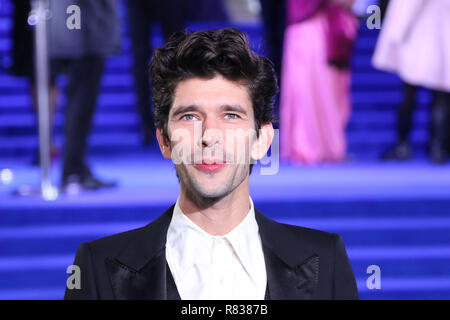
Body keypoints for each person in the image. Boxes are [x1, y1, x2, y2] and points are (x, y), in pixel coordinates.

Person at [64, 28, 358, 300]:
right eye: (189, 117)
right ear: (165, 141)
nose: (209, 136)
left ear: (262, 140)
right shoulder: (98, 267)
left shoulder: (325, 261)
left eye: (231, 116)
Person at [47, 0, 121, 191]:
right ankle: (73, 168)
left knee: (80, 102)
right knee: (81, 103)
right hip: (84, 33)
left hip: (76, 31)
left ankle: (74, 166)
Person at [280, 0, 358, 164]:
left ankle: (323, 146)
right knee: (311, 89)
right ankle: (308, 146)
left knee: (326, 89)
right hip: (310, 30)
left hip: (322, 30)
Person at [373, 0, 450, 164]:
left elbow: (408, 6)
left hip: (419, 37)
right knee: (441, 96)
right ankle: (437, 148)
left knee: (409, 95)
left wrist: (395, 36)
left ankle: (403, 145)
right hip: (442, 37)